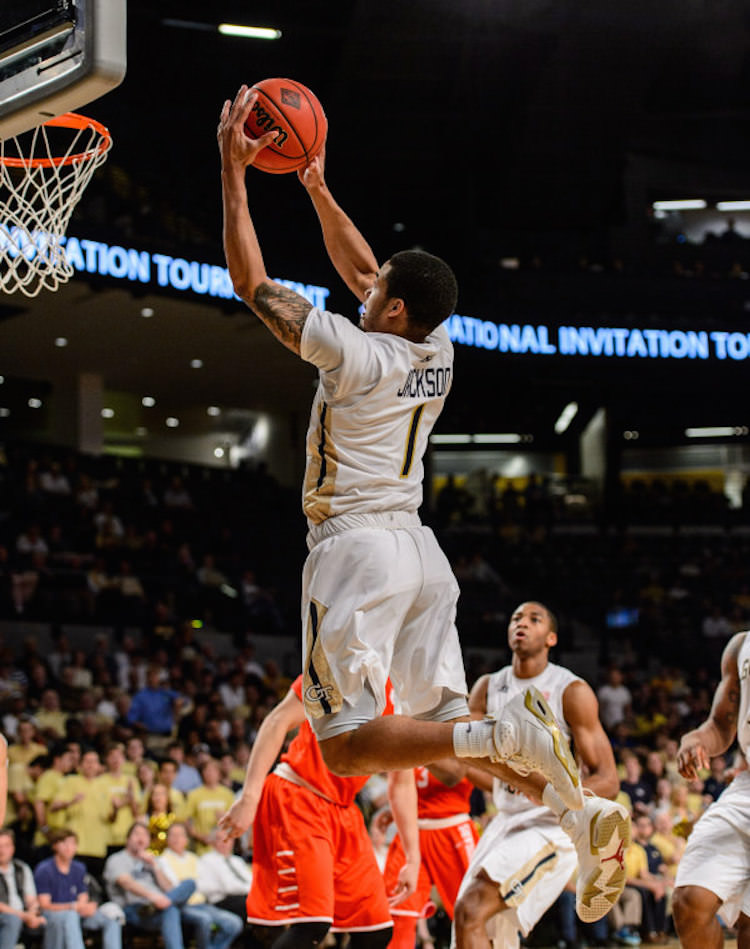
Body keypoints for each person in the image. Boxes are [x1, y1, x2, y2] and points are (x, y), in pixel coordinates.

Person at [216, 86, 584, 815]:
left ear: (393, 310)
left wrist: (233, 172)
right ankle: (577, 810)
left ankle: (498, 729)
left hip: (356, 548)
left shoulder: (354, 352)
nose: (368, 282)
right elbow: (364, 271)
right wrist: (316, 187)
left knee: (346, 747)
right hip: (420, 552)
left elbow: (251, 282)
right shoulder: (438, 343)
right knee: (443, 725)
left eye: (380, 286)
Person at [452, 601, 630, 949]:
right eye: (517, 617)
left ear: (551, 638)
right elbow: (465, 760)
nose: (523, 623)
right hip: (504, 822)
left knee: (470, 909)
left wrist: (552, 795)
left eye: (534, 619)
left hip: (549, 827)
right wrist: (515, 785)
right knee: (484, 933)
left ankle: (593, 839)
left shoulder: (571, 690)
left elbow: (608, 778)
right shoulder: (488, 687)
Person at [218, 674, 418, 949]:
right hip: (300, 795)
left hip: (343, 810)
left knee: (376, 929)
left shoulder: (405, 695)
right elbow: (278, 720)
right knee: (312, 925)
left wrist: (413, 857)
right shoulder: (341, 663)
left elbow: (403, 783)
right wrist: (250, 797)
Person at [671, 630, 750, 949]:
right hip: (745, 790)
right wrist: (696, 740)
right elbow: (721, 724)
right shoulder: (741, 646)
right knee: (690, 901)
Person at [383, 761, 479, 949]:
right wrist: (400, 811)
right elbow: (400, 782)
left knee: (474, 915)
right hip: (412, 830)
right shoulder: (403, 733)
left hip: (452, 827)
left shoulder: (464, 732)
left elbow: (456, 774)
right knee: (397, 914)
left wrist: (417, 746)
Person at [103, 820, 195, 949]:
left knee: (190, 883)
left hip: (159, 907)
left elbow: (169, 888)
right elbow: (126, 883)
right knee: (172, 910)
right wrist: (153, 897)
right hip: (134, 909)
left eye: (144, 835)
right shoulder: (117, 859)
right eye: (137, 834)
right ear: (127, 839)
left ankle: (163, 904)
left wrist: (154, 866)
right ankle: (162, 905)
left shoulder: (152, 860)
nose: (141, 838)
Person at [158, 822, 243, 949]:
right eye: (173, 835)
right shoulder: (162, 860)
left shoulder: (194, 858)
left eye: (180, 835)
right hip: (182, 906)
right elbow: (175, 887)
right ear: (167, 839)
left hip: (203, 904)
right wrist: (191, 884)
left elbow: (205, 884)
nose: (176, 839)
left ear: (186, 840)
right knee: (205, 920)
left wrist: (189, 883)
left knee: (234, 923)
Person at [34, 828, 123, 949]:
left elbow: (83, 895)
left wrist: (86, 906)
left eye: (72, 843)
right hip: (53, 914)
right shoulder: (44, 869)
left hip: (77, 912)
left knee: (112, 919)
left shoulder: (79, 867)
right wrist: (72, 907)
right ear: (55, 845)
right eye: (64, 843)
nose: (68, 847)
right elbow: (44, 904)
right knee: (70, 916)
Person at [0, 826, 45, 949]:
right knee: (12, 920)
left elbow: (31, 898)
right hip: (6, 916)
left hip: (23, 915)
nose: (2, 850)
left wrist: (32, 912)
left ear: (13, 848)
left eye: (6, 846)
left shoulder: (22, 868)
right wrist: (23, 916)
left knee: (52, 920)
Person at [197, 831, 253, 922]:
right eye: (219, 839)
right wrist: (250, 890)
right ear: (214, 842)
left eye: (228, 839)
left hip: (244, 896)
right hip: (221, 901)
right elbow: (229, 887)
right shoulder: (206, 860)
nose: (224, 842)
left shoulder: (238, 861)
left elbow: (251, 881)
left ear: (233, 842)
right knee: (251, 905)